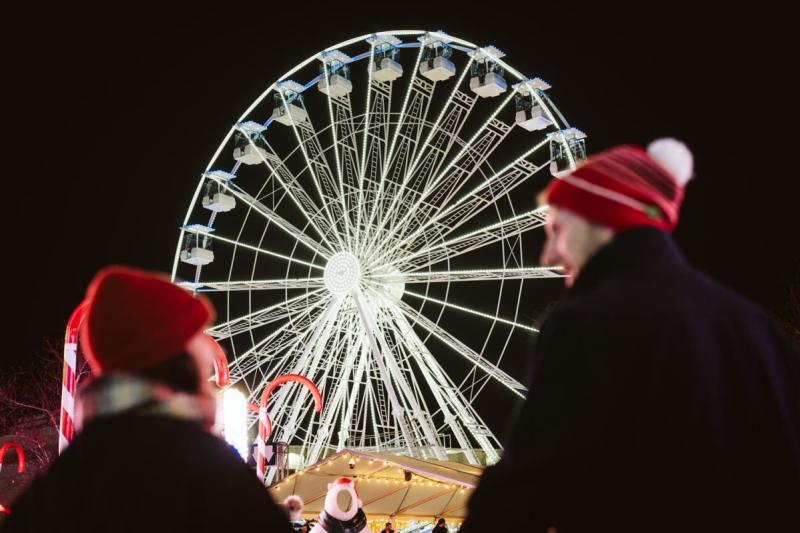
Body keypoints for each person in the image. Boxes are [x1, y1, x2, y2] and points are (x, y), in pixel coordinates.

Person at [460, 139, 800, 532]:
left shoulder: (589, 320)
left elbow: (527, 489)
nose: (548, 256)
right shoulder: (757, 327)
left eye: (556, 229)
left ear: (599, 221)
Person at [1, 266, 293, 532]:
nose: (210, 352)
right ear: (177, 358)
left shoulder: (65, 478)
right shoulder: (206, 466)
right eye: (196, 335)